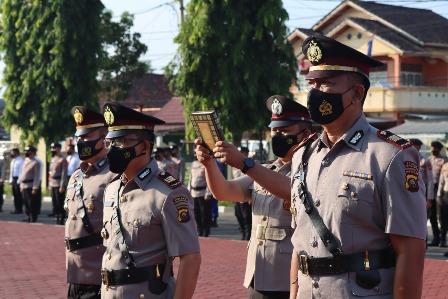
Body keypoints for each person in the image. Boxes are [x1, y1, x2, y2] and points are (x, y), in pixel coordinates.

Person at [201, 35, 427, 298]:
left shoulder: (389, 156)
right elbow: (301, 239)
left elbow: (410, 251)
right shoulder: (304, 155)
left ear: (356, 93)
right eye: (312, 83)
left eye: (327, 83)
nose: (315, 92)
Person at [195, 95, 312, 298]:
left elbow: (292, 190)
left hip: (289, 278)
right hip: (258, 274)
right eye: (274, 130)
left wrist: (245, 164)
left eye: (284, 131)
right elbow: (225, 191)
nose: (277, 136)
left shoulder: (312, 170)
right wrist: (210, 165)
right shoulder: (265, 169)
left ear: (306, 135)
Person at [100, 102, 200, 298]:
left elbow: (190, 258)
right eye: (110, 142)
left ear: (144, 146)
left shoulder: (168, 193)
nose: (113, 149)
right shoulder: (112, 189)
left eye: (121, 142)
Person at [64, 106, 117, 299]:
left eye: (86, 137)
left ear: (104, 139)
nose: (80, 142)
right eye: (79, 137)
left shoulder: (115, 175)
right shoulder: (77, 176)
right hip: (75, 272)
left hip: (99, 275)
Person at [188, 156, 213, 237]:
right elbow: (190, 178)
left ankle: (206, 231)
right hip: (194, 193)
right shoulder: (194, 164)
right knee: (196, 213)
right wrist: (189, 191)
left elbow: (210, 180)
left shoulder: (206, 165)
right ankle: (199, 230)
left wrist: (208, 193)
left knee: (205, 214)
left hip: (203, 194)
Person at [429, 140, 447, 246]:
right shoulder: (429, 160)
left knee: (442, 215)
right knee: (432, 214)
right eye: (432, 148)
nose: (434, 150)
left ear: (440, 149)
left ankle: (443, 237)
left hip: (441, 189)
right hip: (431, 189)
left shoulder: (445, 160)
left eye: (436, 148)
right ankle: (436, 237)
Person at [232, 146, 252, 241]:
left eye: (243, 152)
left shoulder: (251, 164)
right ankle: (243, 233)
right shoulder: (235, 165)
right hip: (236, 196)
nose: (241, 154)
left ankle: (248, 235)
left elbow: (254, 181)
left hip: (246, 195)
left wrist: (252, 196)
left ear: (246, 153)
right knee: (238, 215)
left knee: (247, 216)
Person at [19, 145, 41, 222]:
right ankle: (28, 216)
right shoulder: (25, 161)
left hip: (30, 185)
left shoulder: (36, 162)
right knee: (25, 202)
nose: (27, 153)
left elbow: (37, 176)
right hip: (24, 185)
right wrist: (21, 185)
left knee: (31, 202)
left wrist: (35, 187)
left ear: (33, 153)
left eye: (28, 152)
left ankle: (33, 217)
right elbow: (22, 173)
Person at [49, 142, 68, 224]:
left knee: (60, 202)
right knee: (54, 202)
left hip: (59, 183)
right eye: (52, 148)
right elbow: (50, 173)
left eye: (55, 148)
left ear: (59, 149)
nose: (53, 149)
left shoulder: (62, 160)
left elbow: (64, 174)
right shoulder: (52, 159)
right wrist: (49, 184)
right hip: (53, 183)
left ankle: (62, 218)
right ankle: (56, 216)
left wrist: (62, 186)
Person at [9, 147, 24, 214]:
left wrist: (19, 181)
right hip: (13, 178)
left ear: (17, 153)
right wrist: (10, 179)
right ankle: (16, 208)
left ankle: (19, 208)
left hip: (18, 179)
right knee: (15, 194)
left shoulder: (20, 161)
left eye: (13, 152)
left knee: (19, 195)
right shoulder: (13, 161)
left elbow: (21, 171)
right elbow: (11, 171)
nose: (12, 153)